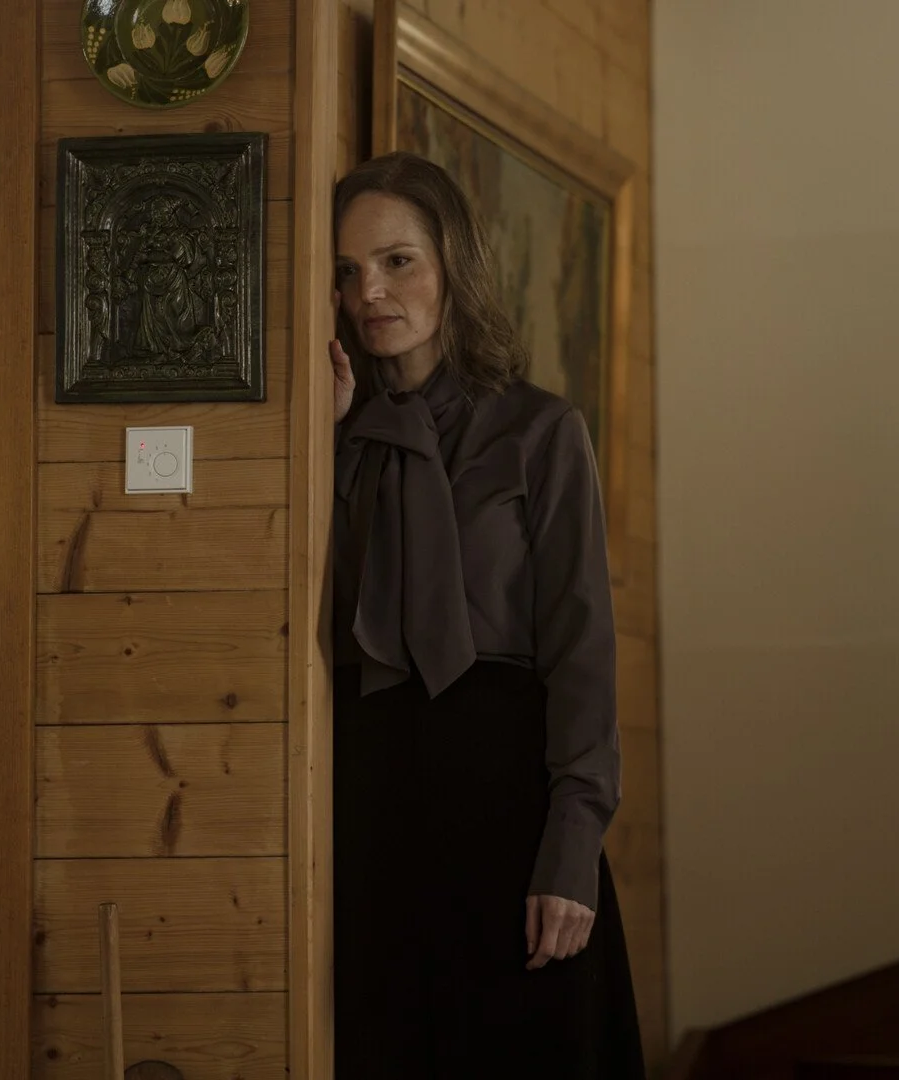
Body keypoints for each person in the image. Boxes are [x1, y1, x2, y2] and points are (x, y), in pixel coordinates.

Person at [329, 151, 645, 1077]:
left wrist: (573, 846)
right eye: (348, 270)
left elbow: (582, 652)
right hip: (371, 806)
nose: (370, 292)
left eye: (397, 262)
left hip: (510, 808)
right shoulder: (332, 441)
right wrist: (327, 439)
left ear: (452, 266)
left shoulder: (540, 433)